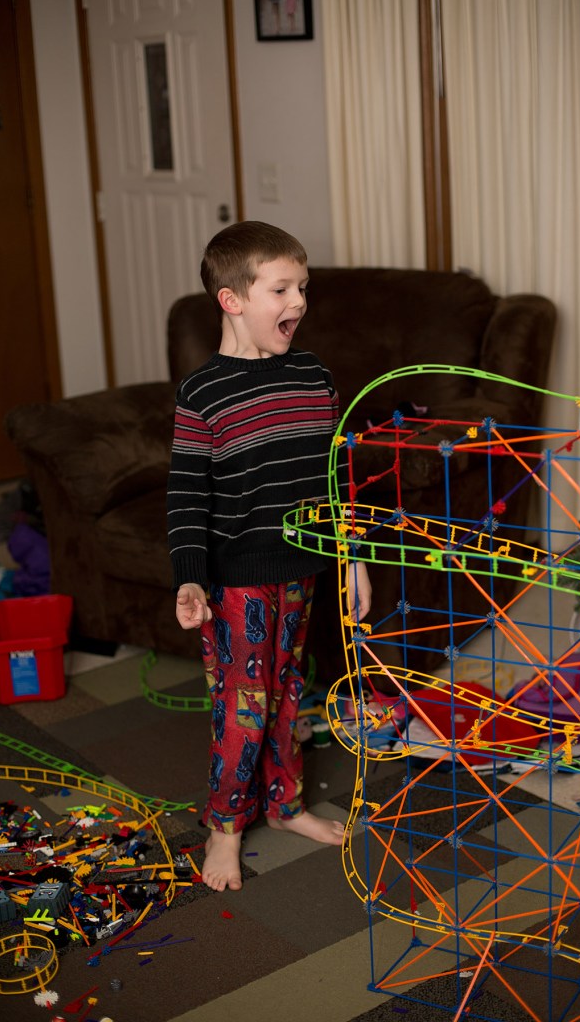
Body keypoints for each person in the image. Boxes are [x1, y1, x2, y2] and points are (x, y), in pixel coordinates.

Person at [167, 220, 371, 893]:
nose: (299, 301)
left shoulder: (314, 375)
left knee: (287, 693)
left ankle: (284, 806)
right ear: (232, 300)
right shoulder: (202, 393)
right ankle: (224, 829)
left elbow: (335, 478)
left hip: (303, 568)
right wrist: (190, 579)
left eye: (302, 287)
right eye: (281, 289)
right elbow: (187, 498)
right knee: (243, 705)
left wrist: (352, 560)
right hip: (236, 582)